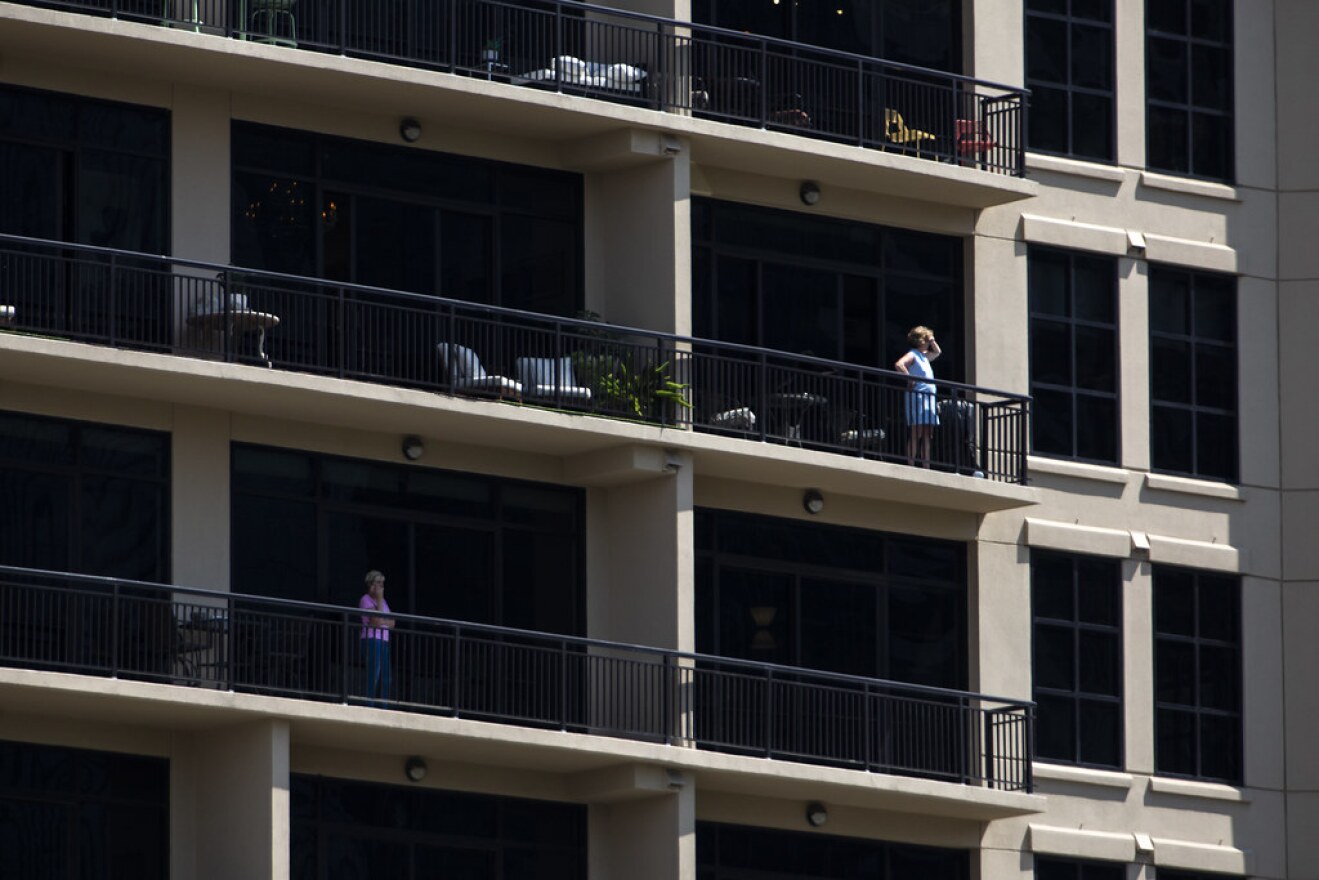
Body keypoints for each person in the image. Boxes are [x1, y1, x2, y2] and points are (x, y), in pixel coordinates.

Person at [894, 326, 941, 468]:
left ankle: (926, 465)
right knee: (917, 431)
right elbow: (899, 364)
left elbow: (938, 352)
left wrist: (932, 341)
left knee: (927, 432)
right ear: (921, 340)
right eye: (926, 339)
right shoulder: (913, 354)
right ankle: (911, 463)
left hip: (929, 397)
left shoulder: (924, 356)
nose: (928, 342)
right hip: (918, 396)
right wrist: (909, 379)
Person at [358, 570, 393, 707]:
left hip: (383, 640)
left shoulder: (383, 601)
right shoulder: (365, 600)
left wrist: (382, 619)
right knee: (374, 673)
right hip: (372, 640)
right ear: (371, 584)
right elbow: (376, 621)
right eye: (378, 583)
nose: (381, 587)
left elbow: (392, 622)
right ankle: (369, 704)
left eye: (382, 584)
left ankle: (384, 706)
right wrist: (378, 600)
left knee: (386, 677)